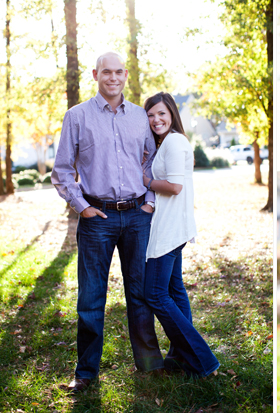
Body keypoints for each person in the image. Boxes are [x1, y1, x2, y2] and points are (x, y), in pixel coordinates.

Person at [51, 52, 164, 392]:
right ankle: (86, 373)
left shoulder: (141, 117)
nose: (113, 78)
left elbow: (153, 164)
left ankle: (148, 364)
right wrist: (81, 206)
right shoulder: (77, 116)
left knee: (141, 293)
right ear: (95, 74)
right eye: (106, 72)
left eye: (118, 72)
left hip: (136, 215)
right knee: (90, 297)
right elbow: (62, 170)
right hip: (97, 217)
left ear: (125, 74)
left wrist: (150, 201)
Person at [142, 92, 219, 377]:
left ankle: (202, 359)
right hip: (173, 224)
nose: (156, 119)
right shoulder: (169, 142)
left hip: (170, 227)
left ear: (172, 113)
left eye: (161, 113)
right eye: (151, 115)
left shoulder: (174, 141)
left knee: (155, 293)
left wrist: (146, 180)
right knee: (174, 290)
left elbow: (174, 186)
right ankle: (180, 356)